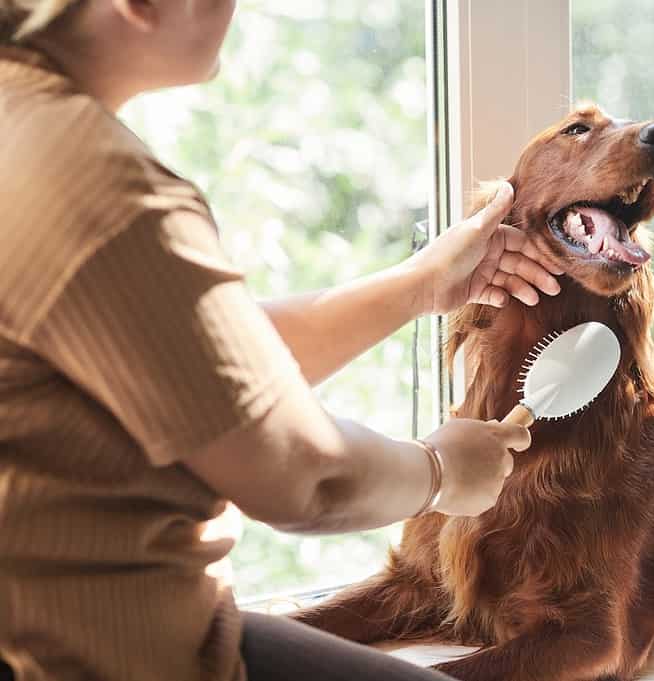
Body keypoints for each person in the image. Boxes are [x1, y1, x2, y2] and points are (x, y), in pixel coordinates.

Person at [0, 1, 565, 680]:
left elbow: (193, 359)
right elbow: (306, 477)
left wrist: (419, 286)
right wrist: (441, 471)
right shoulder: (97, 186)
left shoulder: (21, 123)